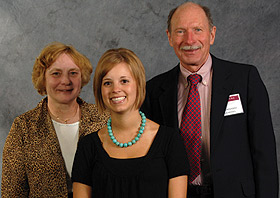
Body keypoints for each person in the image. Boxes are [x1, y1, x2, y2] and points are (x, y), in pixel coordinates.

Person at [141, 2, 279, 198]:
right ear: (169, 37)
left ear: (212, 34)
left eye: (198, 29)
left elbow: (264, 154)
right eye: (180, 31)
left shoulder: (245, 79)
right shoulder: (154, 90)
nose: (190, 40)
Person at [71, 48, 189, 198]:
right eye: (107, 83)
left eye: (124, 81)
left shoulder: (171, 141)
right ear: (99, 90)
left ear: (139, 85)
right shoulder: (87, 146)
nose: (116, 89)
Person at [1, 42, 109, 197]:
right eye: (56, 73)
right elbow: (12, 193)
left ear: (82, 77)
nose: (65, 81)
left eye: (73, 73)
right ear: (43, 79)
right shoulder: (23, 128)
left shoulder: (104, 119)